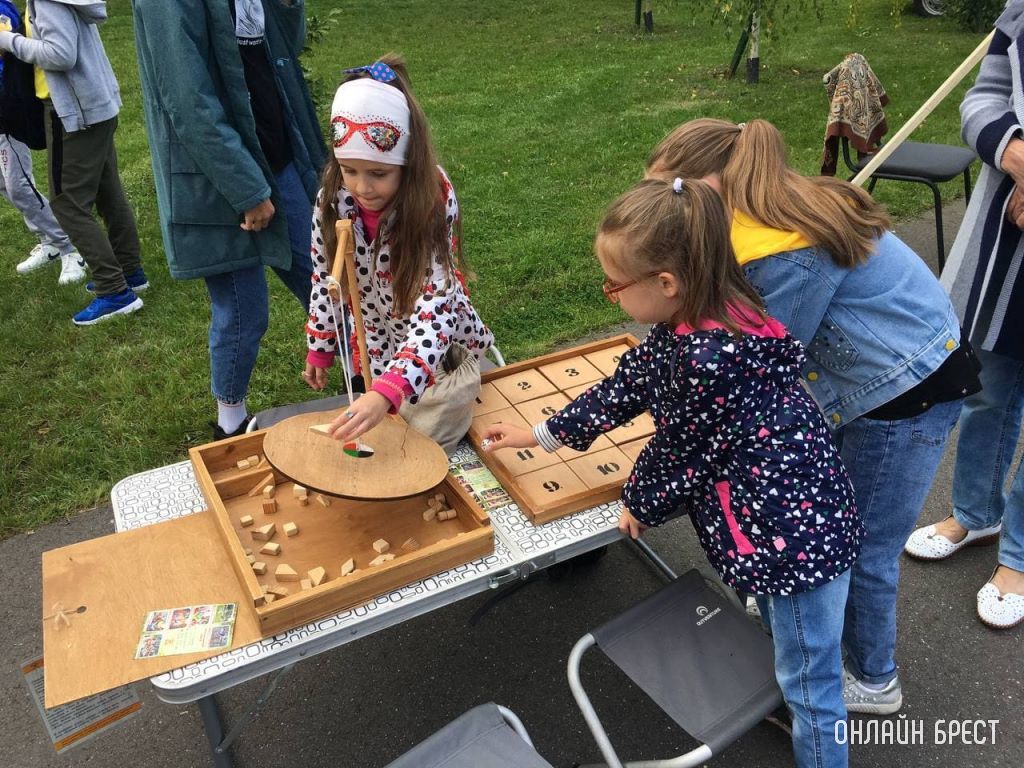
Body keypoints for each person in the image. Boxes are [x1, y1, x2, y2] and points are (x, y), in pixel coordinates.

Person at [483, 178, 862, 768]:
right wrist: (541, 433)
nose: (609, 294)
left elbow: (681, 452)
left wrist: (639, 501)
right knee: (797, 653)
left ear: (666, 283)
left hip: (793, 544)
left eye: (614, 285)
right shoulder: (704, 320)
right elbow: (627, 386)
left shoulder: (707, 362)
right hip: (785, 518)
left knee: (813, 687)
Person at [646, 118, 980, 714]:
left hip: (907, 395)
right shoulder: (763, 210)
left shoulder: (781, 254)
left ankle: (874, 679)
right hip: (875, 381)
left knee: (862, 547)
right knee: (825, 527)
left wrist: (679, 433)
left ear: (717, 186)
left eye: (674, 197)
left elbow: (758, 367)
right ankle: (802, 616)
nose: (665, 216)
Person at [131, 0, 326, 440]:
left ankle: (372, 386)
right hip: (218, 178)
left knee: (325, 282)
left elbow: (283, 47)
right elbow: (186, 98)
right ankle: (230, 423)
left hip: (278, 156)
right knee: (242, 310)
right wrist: (246, 189)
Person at [905, 0, 1024, 630]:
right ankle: (979, 514)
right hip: (1012, 241)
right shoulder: (1020, 14)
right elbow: (983, 99)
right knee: (990, 387)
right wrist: (1016, 157)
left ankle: (1020, 556)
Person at [304, 57, 494, 452]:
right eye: (349, 170)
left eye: (378, 174)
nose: (362, 187)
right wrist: (321, 345)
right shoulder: (332, 200)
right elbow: (326, 278)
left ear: (407, 162)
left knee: (428, 439)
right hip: (375, 337)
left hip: (439, 345)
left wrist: (390, 388)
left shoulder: (430, 204)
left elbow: (436, 308)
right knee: (388, 435)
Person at [0, 0, 145, 324]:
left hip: (73, 113)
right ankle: (129, 271)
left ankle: (115, 291)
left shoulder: (48, 3)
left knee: (66, 203)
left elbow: (60, 54)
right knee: (108, 192)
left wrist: (7, 40)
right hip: (96, 105)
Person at [0, 0, 83, 283]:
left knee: (18, 184)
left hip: (5, 109)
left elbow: (6, 47)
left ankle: (69, 246)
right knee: (4, 184)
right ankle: (49, 241)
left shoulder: (3, 10)